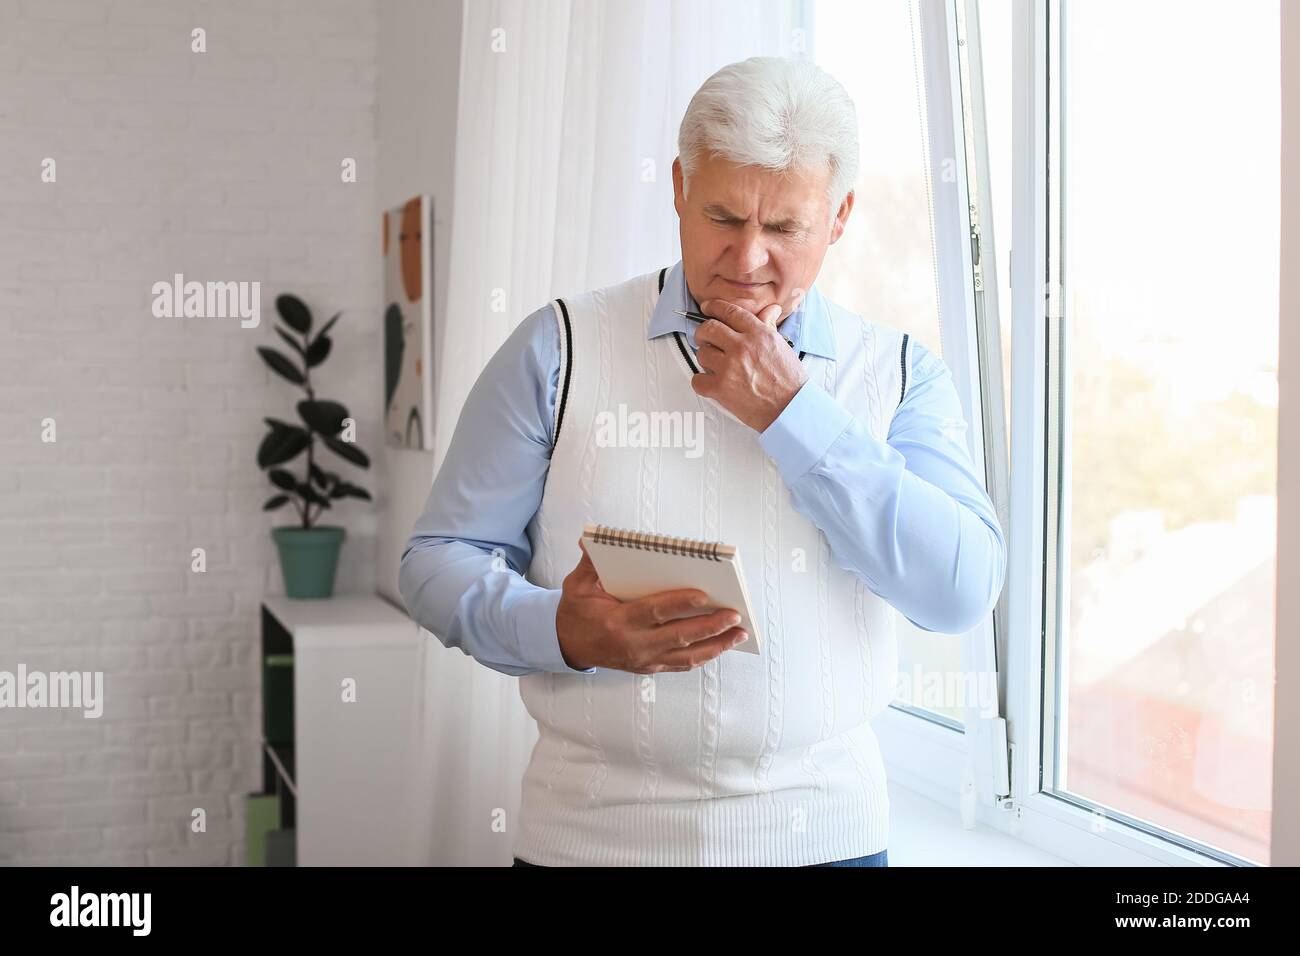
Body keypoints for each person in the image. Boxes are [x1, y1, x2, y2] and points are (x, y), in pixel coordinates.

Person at [400, 56, 1007, 867]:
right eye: (722, 216)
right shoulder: (559, 347)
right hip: (589, 844)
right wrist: (559, 629)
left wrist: (794, 415)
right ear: (680, 188)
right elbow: (437, 560)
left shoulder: (897, 374)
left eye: (785, 227)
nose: (748, 259)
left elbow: (960, 589)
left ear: (839, 217)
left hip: (828, 843)